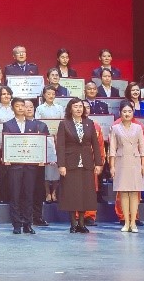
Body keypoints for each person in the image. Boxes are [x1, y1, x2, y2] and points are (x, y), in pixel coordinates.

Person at [55, 98, 104, 233]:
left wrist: (98, 163)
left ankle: (82, 223)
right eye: (75, 106)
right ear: (70, 109)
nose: (78, 109)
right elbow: (60, 146)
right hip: (70, 163)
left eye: (80, 106)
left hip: (87, 163)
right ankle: (73, 223)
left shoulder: (89, 123)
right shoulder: (64, 124)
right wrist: (61, 165)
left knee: (85, 194)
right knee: (72, 193)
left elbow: (95, 145)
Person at [2, 98, 41, 234]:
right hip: (15, 166)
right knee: (15, 195)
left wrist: (39, 157)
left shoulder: (33, 124)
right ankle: (17, 225)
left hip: (30, 166)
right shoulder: (8, 124)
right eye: (17, 106)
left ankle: (28, 224)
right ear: (12, 108)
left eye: (22, 106)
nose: (20, 108)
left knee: (29, 195)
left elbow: (37, 143)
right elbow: (6, 144)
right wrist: (6, 157)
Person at [109, 101, 144, 233]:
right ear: (120, 113)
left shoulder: (138, 128)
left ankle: (133, 222)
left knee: (134, 192)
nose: (127, 114)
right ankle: (126, 222)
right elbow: (112, 149)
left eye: (129, 111)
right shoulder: (115, 128)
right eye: (124, 111)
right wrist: (112, 166)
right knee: (123, 192)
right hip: (121, 161)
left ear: (133, 113)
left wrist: (143, 164)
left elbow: (142, 147)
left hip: (135, 161)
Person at [24, 100, 51, 226]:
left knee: (38, 191)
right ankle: (25, 217)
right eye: (26, 107)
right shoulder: (18, 125)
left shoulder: (42, 125)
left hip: (38, 164)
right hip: (23, 163)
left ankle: (37, 217)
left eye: (31, 107)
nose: (29, 109)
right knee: (24, 191)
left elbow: (48, 144)